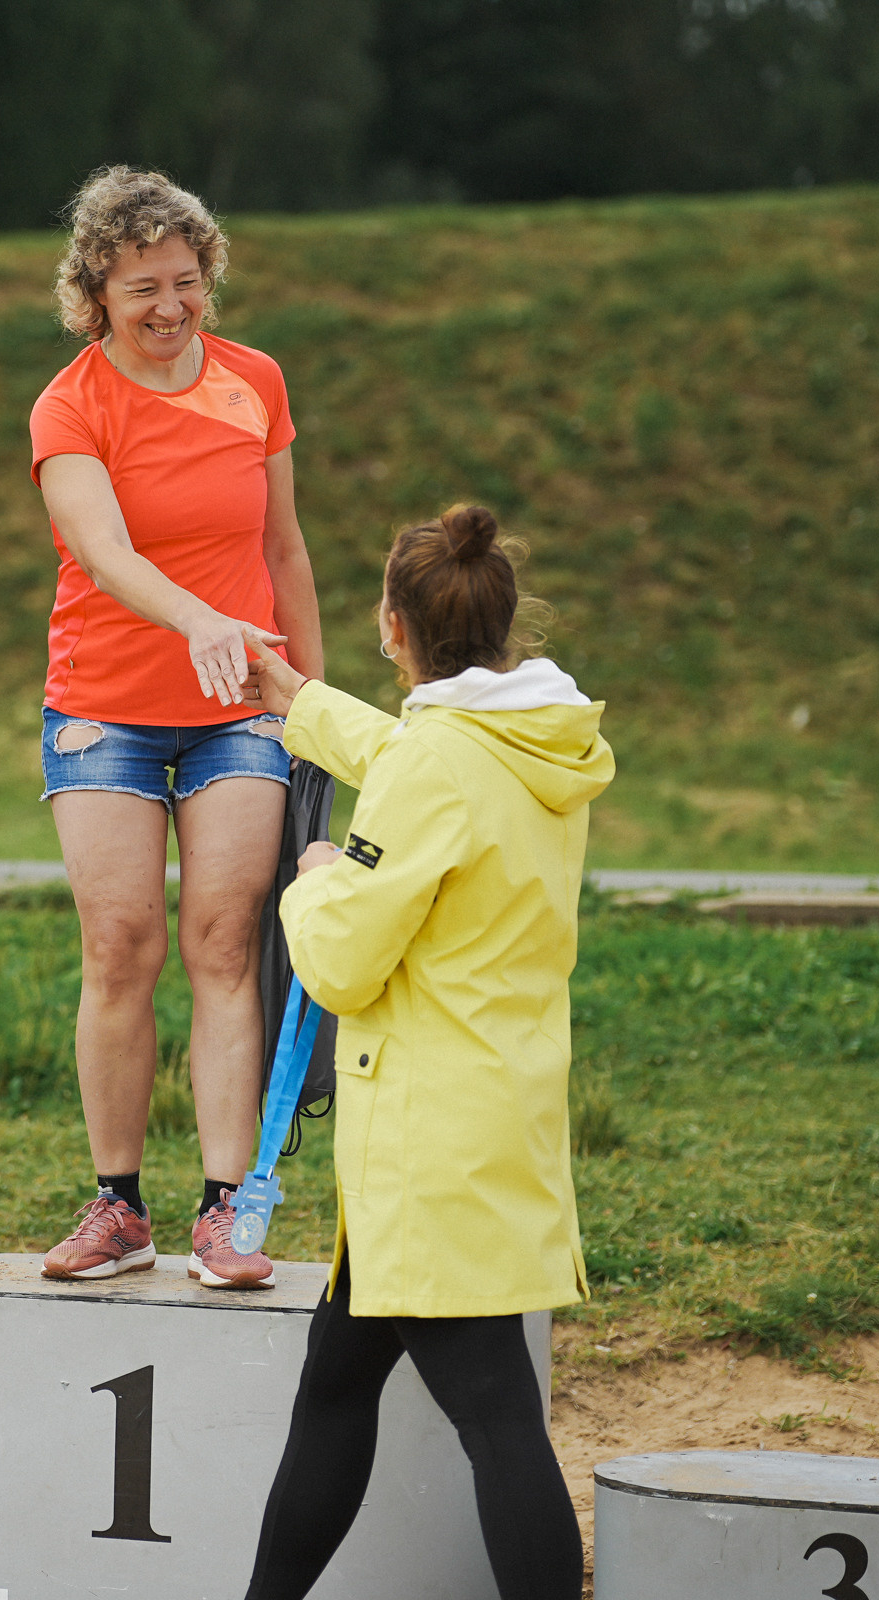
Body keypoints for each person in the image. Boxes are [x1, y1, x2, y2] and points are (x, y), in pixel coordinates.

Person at [237, 506, 613, 1600]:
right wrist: (294, 701)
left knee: (497, 1419)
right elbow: (420, 756)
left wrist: (315, 884)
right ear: (502, 626)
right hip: (494, 1113)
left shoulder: (434, 767)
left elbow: (346, 964)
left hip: (421, 1142)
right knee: (338, 1389)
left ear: (392, 628)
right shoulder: (539, 738)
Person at [28, 167, 325, 1290]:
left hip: (240, 709)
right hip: (102, 704)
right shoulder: (70, 404)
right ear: (95, 290)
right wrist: (204, 619)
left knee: (219, 941)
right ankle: (117, 1206)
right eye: (142, 284)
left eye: (187, 281)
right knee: (120, 946)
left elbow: (286, 550)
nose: (169, 306)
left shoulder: (256, 381)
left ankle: (223, 1212)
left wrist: (315, 702)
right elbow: (103, 551)